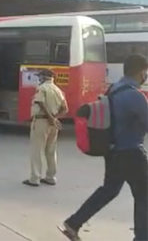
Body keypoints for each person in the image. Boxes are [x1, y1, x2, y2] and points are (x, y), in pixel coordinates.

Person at [59, 54, 147, 241]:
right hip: (132, 153)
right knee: (144, 195)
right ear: (141, 71)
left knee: (109, 190)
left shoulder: (113, 89)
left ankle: (74, 222)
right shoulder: (134, 95)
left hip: (113, 152)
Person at [23, 69, 68, 187]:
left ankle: (35, 178)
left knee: (37, 150)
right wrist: (55, 118)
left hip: (41, 121)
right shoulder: (58, 90)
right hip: (53, 124)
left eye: (40, 76)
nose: (39, 78)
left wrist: (50, 118)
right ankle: (50, 177)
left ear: (43, 77)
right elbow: (65, 108)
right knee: (51, 151)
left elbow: (41, 103)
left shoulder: (42, 88)